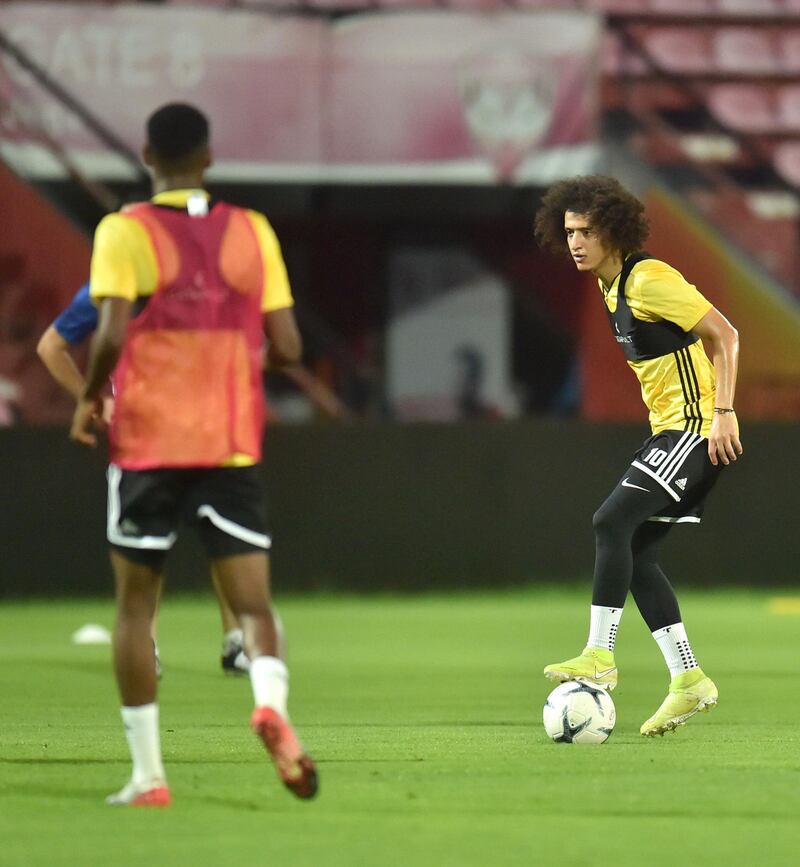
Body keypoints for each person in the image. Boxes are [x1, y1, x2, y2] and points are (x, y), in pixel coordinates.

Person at [70, 102, 317, 804]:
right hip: (229, 443)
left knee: (134, 610)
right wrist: (231, 361)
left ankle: (149, 776)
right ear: (208, 157)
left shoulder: (123, 231)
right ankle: (271, 704)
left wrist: (91, 396)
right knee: (254, 606)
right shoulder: (253, 230)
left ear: (147, 155)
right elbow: (293, 349)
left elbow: (112, 332)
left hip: (148, 441)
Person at [534, 175, 742, 737]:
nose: (576, 242)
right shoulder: (610, 288)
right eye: (570, 231)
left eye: (588, 231)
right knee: (638, 555)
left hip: (696, 429)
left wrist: (723, 412)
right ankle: (688, 680)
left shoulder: (648, 279)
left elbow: (725, 334)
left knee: (610, 521)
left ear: (616, 233)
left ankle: (600, 656)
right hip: (670, 432)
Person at [38, 283, 251, 675]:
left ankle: (236, 643)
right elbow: (51, 347)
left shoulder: (192, 283)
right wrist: (95, 398)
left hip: (207, 432)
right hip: (145, 442)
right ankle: (145, 645)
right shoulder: (110, 288)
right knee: (147, 548)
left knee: (223, 541)